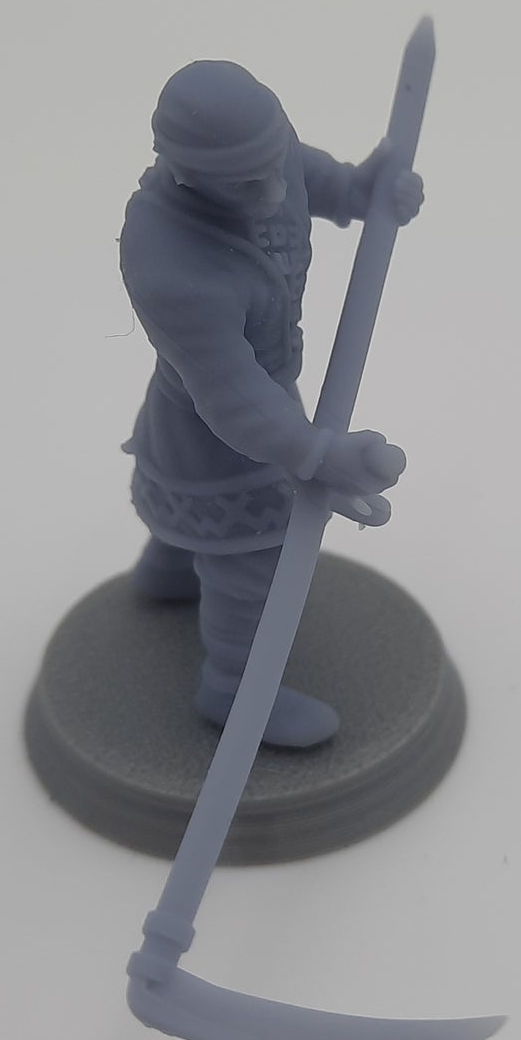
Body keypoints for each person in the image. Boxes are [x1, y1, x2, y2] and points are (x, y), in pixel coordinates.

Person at [119, 58, 423, 748]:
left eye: (271, 161)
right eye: (247, 182)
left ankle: (165, 572)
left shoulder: (263, 154)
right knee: (251, 559)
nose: (273, 190)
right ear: (184, 172)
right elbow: (229, 391)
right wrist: (314, 453)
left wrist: (361, 190)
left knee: (192, 526)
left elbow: (305, 174)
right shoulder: (170, 262)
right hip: (216, 428)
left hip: (258, 391)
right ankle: (232, 688)